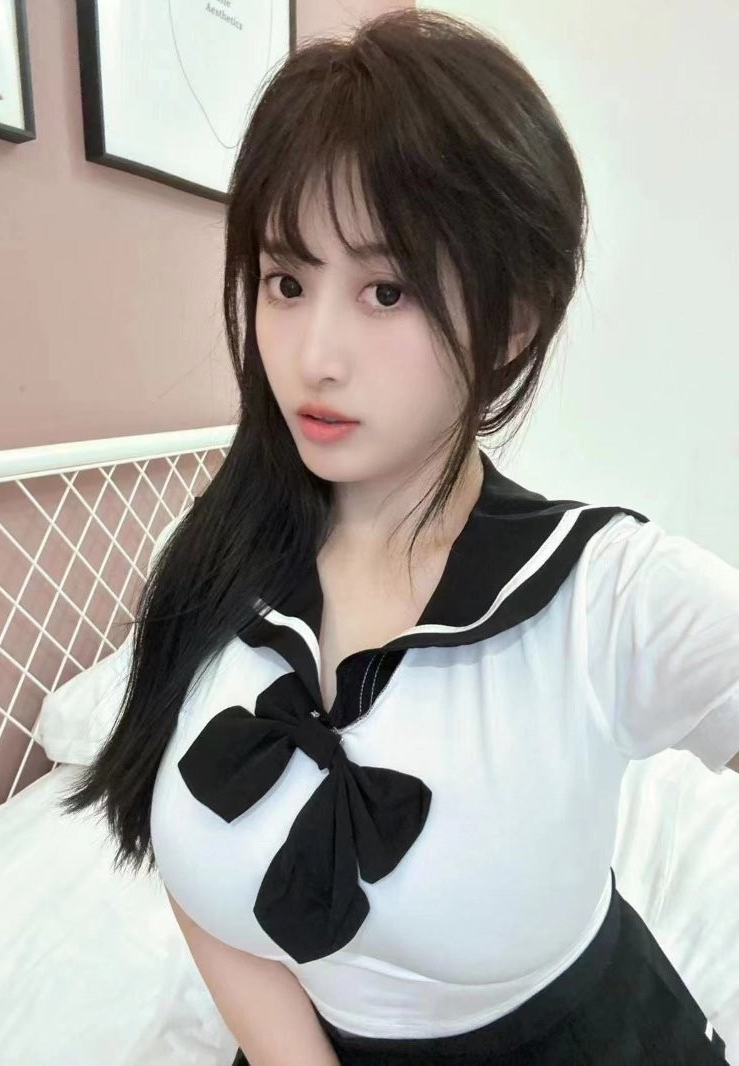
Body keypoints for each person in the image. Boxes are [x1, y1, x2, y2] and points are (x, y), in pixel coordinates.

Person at [59, 9, 738, 1063]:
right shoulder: (217, 556)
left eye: (386, 291)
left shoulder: (610, 594)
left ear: (511, 322)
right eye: (286, 283)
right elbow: (191, 867)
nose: (313, 356)